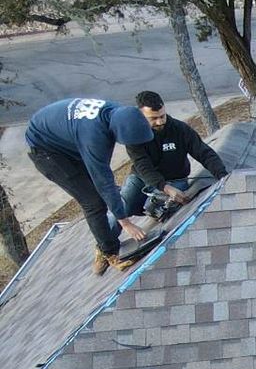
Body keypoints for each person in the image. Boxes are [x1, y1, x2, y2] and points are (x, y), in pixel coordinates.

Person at [23, 95, 167, 275]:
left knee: (105, 191)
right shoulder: (94, 137)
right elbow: (103, 180)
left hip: (64, 138)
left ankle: (105, 241)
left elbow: (104, 176)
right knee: (93, 202)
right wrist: (126, 223)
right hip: (46, 151)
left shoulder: (121, 114)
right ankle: (110, 254)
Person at [117, 91, 228, 221]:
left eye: (162, 116)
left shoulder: (180, 129)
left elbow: (204, 153)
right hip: (142, 178)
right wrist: (165, 188)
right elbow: (143, 165)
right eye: (153, 118)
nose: (159, 122)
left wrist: (223, 176)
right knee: (121, 208)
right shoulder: (133, 134)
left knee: (162, 210)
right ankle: (107, 240)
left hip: (176, 180)